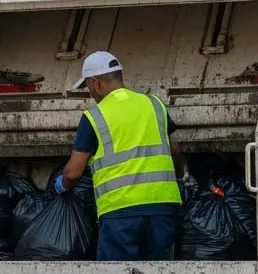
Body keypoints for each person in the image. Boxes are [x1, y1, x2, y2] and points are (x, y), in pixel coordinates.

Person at [54, 51, 186, 261]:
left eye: (88, 86)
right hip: (163, 206)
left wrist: (61, 185)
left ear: (95, 83)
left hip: (120, 212)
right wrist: (180, 178)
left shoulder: (95, 117)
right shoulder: (154, 104)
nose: (90, 92)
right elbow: (175, 151)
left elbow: (73, 172)